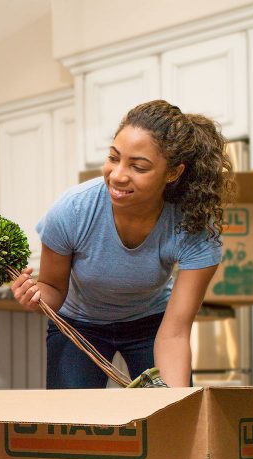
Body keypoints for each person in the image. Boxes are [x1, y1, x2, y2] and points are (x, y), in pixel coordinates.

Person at [12, 99, 233, 388]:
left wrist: (175, 406)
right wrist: (34, 296)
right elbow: (54, 290)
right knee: (73, 426)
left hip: (151, 323)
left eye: (138, 167)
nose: (117, 175)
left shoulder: (193, 227)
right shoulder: (73, 210)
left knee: (167, 419)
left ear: (173, 173)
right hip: (79, 323)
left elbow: (175, 333)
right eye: (114, 158)